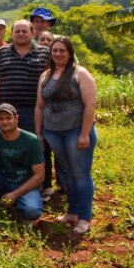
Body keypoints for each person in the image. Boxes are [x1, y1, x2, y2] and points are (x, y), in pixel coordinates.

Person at [35, 37, 97, 235]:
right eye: (55, 51)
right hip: (52, 132)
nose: (58, 54)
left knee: (80, 174)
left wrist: (85, 133)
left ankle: (85, 218)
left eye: (62, 50)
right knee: (67, 174)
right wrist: (39, 133)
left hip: (76, 130)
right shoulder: (46, 76)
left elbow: (90, 105)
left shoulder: (80, 73)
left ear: (70, 52)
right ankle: (72, 212)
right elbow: (39, 106)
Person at [0, 19, 52, 193]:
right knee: (4, 146)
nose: (21, 34)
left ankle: (44, 186)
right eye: (18, 31)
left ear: (33, 33)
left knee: (39, 146)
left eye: (25, 31)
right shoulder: (0, 53)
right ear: (12, 34)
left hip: (34, 110)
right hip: (5, 111)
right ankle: (5, 182)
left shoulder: (46, 53)